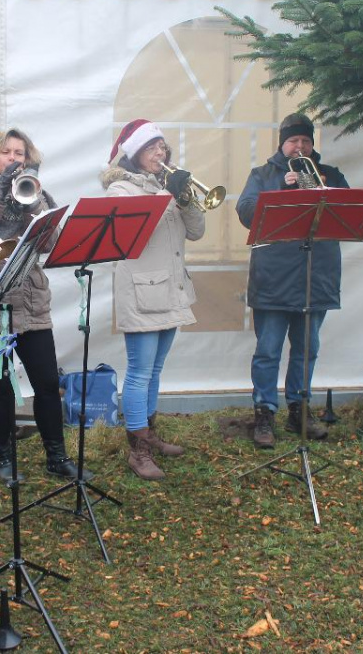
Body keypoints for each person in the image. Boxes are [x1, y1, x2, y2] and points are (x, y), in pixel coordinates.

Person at [0, 128, 83, 483]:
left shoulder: (36, 189)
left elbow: (50, 245)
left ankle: (56, 458)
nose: (14, 159)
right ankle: (3, 460)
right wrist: (0, 192)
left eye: (20, 153)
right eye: (7, 152)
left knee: (46, 382)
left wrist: (36, 203)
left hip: (29, 300)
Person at [236, 113, 350, 450]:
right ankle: (264, 413)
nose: (299, 146)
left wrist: (324, 190)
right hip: (273, 277)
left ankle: (299, 410)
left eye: (305, 141)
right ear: (282, 144)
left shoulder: (330, 175)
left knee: (307, 350)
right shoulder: (264, 175)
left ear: (312, 145)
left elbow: (347, 209)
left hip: (317, 275)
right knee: (268, 350)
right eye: (293, 141)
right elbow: (245, 211)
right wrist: (280, 191)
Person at [100, 119, 204, 480]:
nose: (160, 153)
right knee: (140, 371)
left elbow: (197, 231)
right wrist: (168, 195)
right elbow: (134, 236)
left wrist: (185, 197)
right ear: (134, 155)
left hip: (171, 289)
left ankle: (150, 433)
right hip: (142, 292)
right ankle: (138, 450)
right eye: (151, 148)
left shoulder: (170, 187)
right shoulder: (121, 192)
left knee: (155, 370)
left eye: (162, 147)